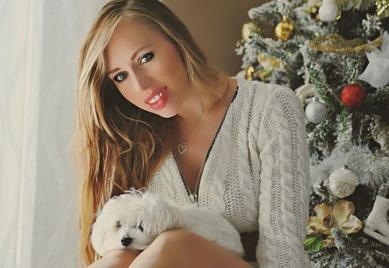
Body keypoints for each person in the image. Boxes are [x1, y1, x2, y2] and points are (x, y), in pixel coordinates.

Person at [71, 0, 311, 267]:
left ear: (176, 39)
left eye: (145, 58)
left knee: (172, 245)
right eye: (120, 77)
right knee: (116, 258)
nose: (141, 85)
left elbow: (284, 254)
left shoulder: (269, 108)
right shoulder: (133, 137)